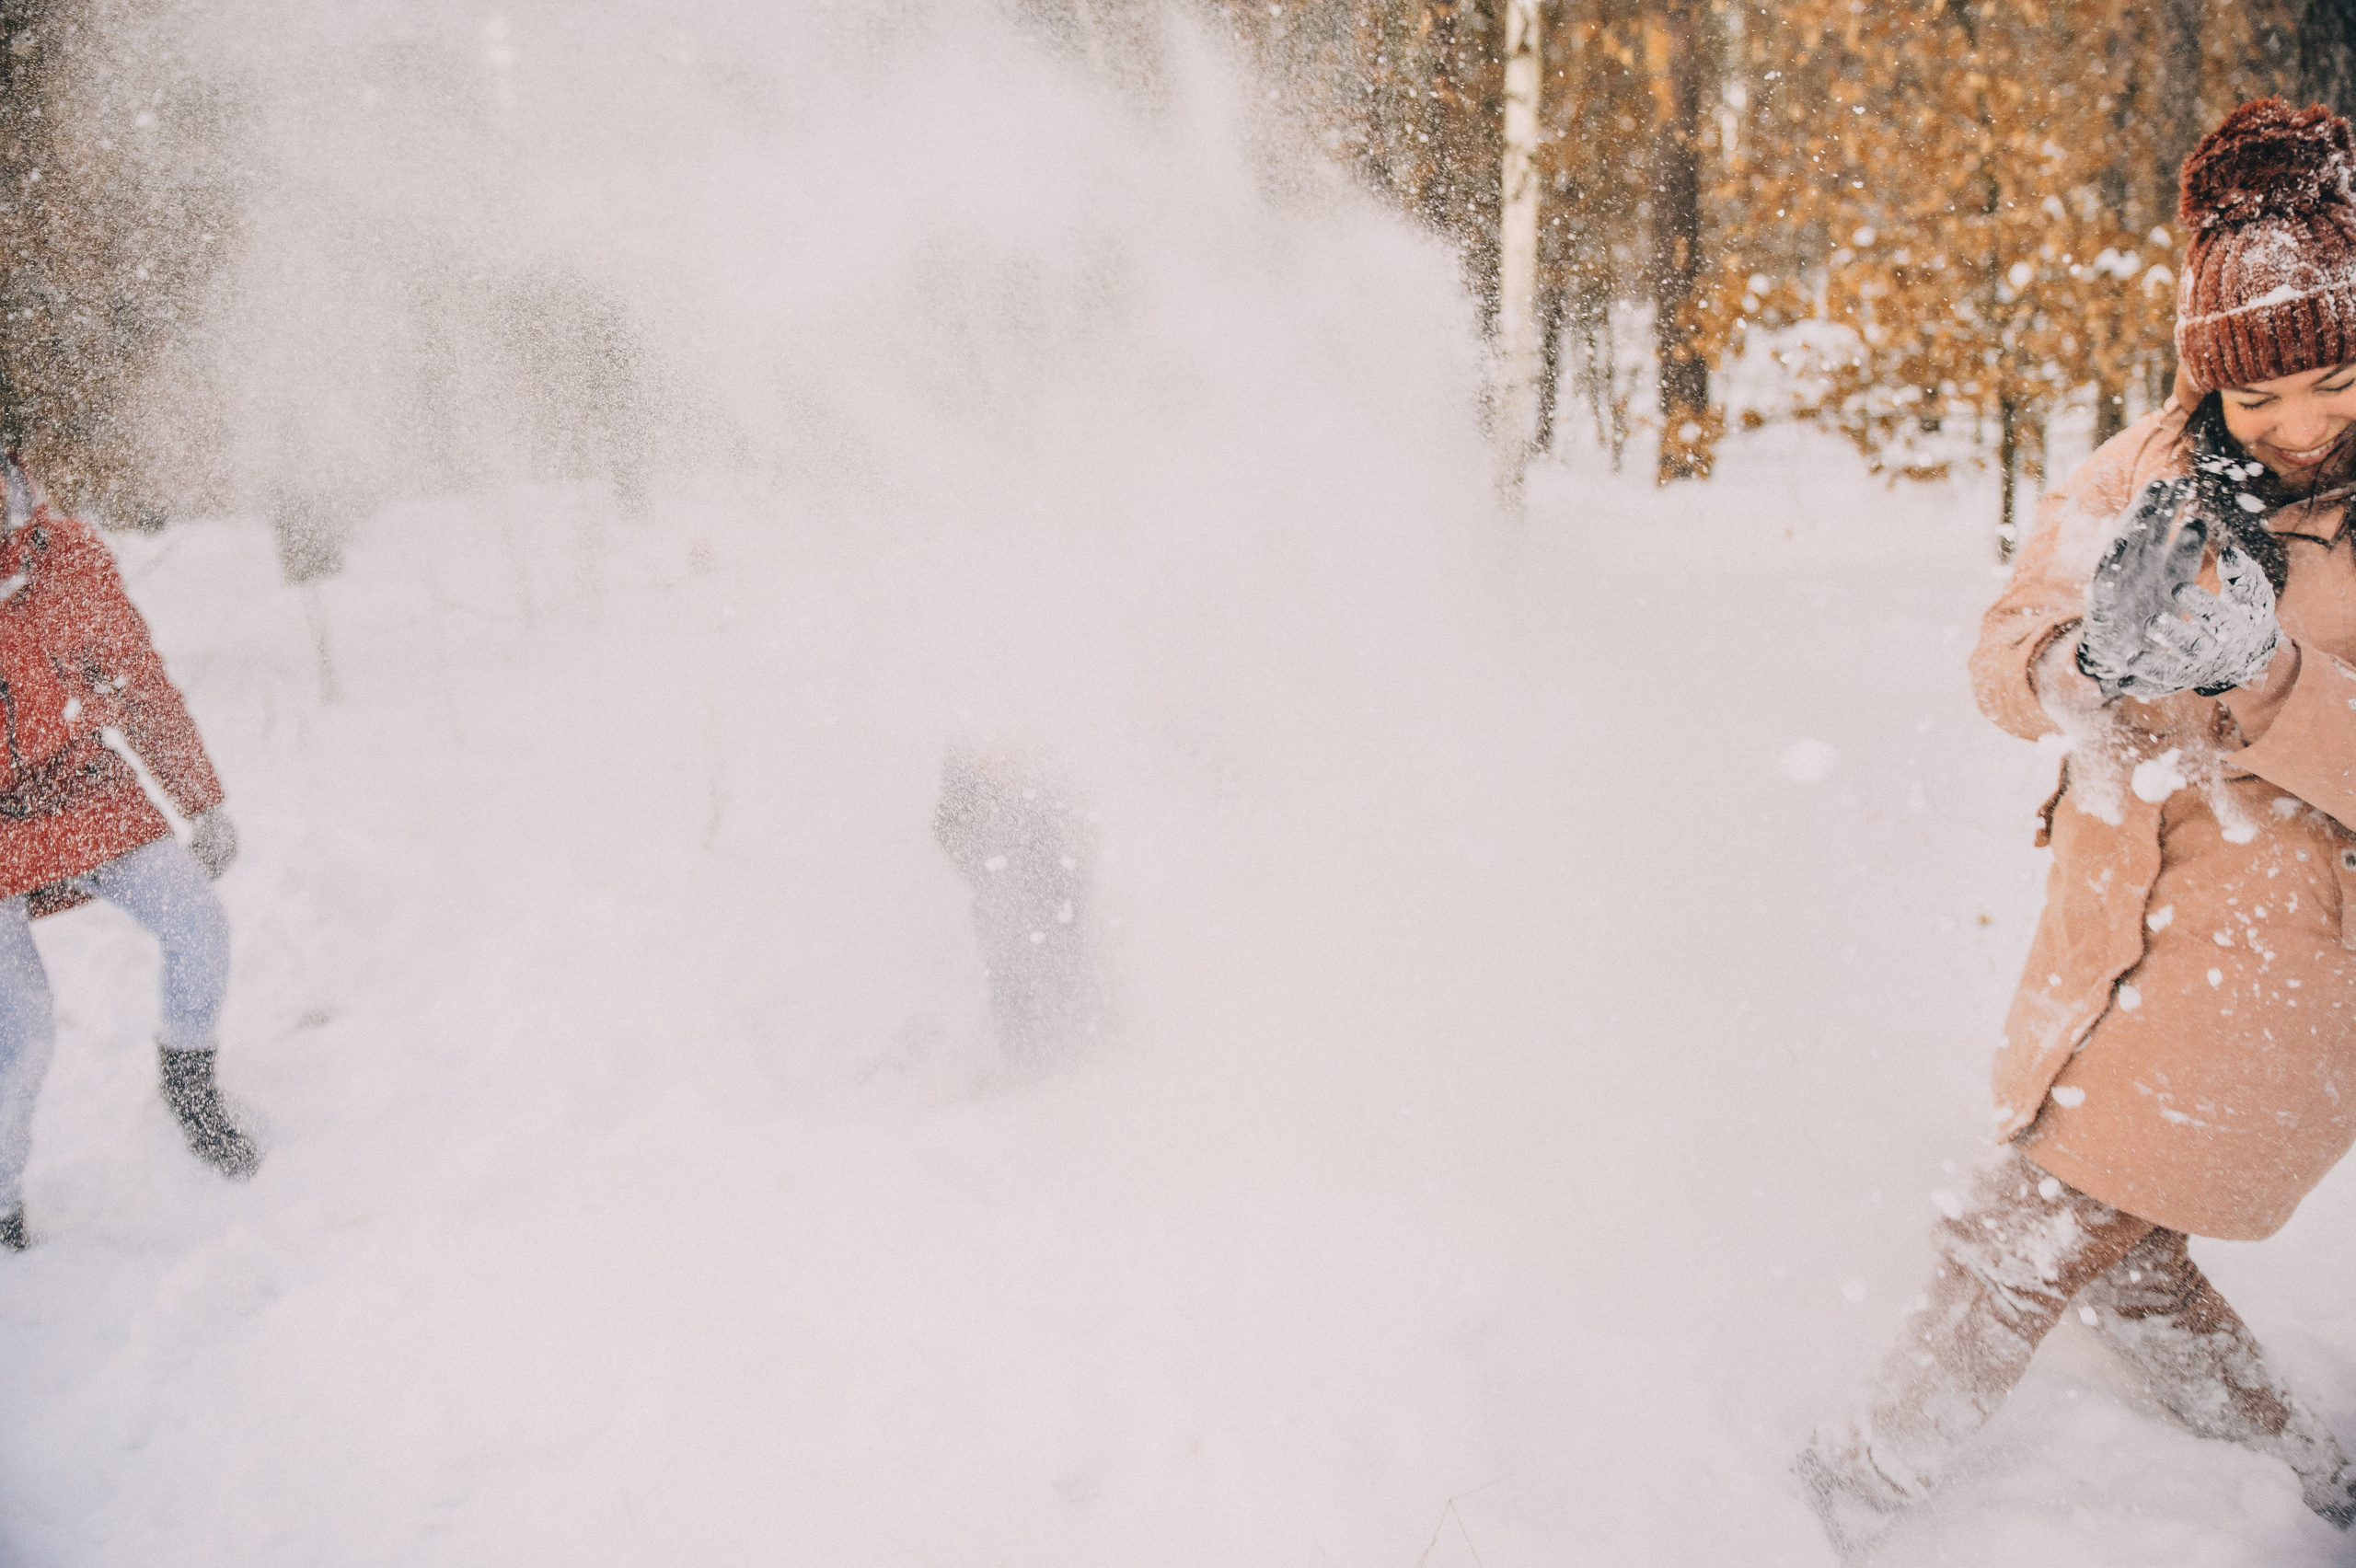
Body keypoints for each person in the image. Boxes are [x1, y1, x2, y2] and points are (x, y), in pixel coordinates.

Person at [1799, 98, 2356, 1551]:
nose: (2302, 426)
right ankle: (2311, 1464)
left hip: (2281, 973)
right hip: (2117, 937)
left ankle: (1854, 1485)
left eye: (2340, 379)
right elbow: (2007, 647)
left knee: (2019, 1236)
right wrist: (2079, 663)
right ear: (2207, 381)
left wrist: (2267, 675)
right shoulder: (2143, 473)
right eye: (2261, 397)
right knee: (2129, 1254)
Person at [0, 453, 257, 1251]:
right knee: (25, 1029)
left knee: (198, 925)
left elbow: (137, 683)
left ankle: (189, 1077)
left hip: (81, 791)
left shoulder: (65, 559)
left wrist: (200, 797)